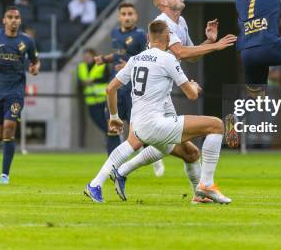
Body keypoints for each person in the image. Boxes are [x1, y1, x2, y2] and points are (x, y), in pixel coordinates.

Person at [105, 0, 237, 194]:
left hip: (163, 92)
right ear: (164, 2)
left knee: (188, 152)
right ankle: (108, 175)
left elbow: (190, 55)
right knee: (156, 140)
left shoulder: (181, 22)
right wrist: (216, 45)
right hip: (152, 94)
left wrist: (209, 41)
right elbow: (181, 53)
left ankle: (122, 172)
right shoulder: (161, 22)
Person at [84, 20, 231, 204]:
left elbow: (110, 89)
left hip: (139, 126)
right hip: (156, 124)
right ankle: (206, 185)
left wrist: (114, 117)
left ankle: (100, 182)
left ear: (147, 38)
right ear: (169, 38)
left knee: (190, 153)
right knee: (216, 125)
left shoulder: (135, 59)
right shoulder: (167, 59)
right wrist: (194, 85)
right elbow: (192, 95)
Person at [93, 3, 166, 174]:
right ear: (119, 17)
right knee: (112, 127)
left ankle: (156, 158)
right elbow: (119, 54)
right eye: (123, 14)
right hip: (117, 87)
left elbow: (149, 57)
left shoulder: (141, 36)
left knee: (141, 130)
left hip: (135, 90)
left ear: (136, 16)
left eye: (130, 14)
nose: (127, 17)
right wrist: (104, 59)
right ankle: (112, 167)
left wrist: (131, 65)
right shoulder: (115, 33)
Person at [0, 6, 40, 184]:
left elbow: (36, 61)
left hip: (15, 91)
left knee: (9, 128)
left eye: (16, 17)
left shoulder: (27, 41)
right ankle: (1, 144)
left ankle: (4, 174)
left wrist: (35, 68)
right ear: (4, 20)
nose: (13, 20)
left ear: (20, 21)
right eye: (10, 17)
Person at [78, 49, 119, 154]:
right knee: (99, 122)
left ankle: (113, 140)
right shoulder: (81, 67)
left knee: (106, 122)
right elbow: (79, 81)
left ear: (93, 56)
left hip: (103, 99)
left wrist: (93, 81)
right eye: (85, 56)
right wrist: (84, 83)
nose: (86, 58)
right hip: (91, 100)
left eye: (88, 56)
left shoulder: (102, 65)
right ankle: (113, 138)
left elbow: (107, 78)